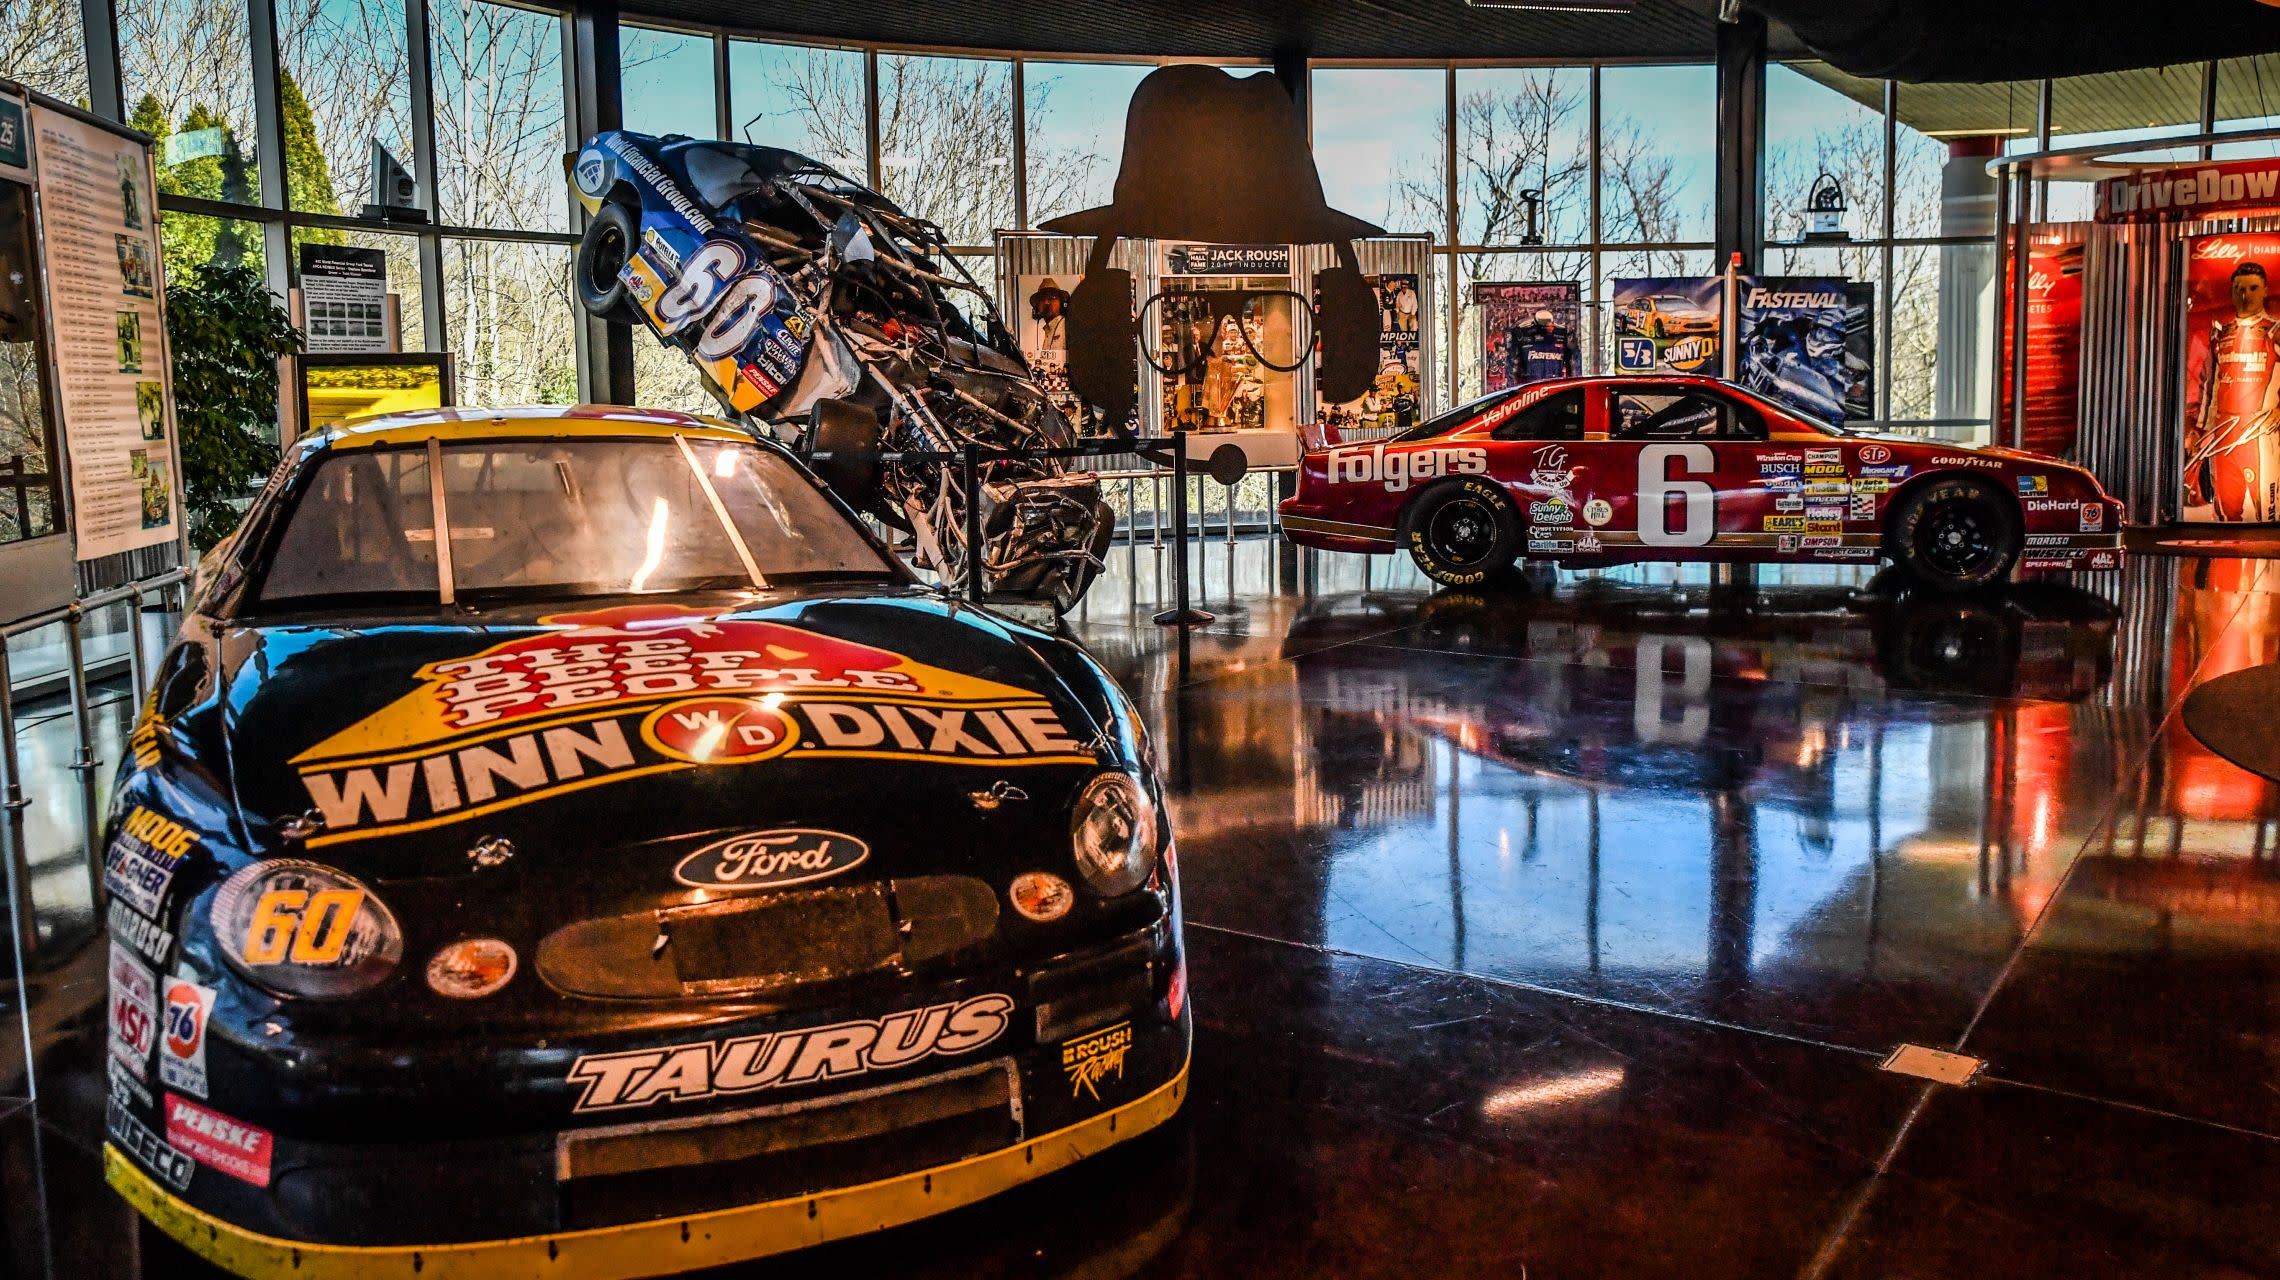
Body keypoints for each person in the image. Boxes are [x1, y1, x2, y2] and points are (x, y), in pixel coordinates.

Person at [2188, 261, 2280, 521]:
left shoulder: (2274, 331)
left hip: (2259, 434)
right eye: (2239, 288)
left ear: (2264, 290)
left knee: (2268, 517)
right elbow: (2209, 386)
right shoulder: (2220, 335)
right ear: (2231, 292)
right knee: (2225, 517)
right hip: (2223, 435)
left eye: (2253, 288)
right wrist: (2201, 430)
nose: (2245, 295)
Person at [1504, 309, 1573, 388]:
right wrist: (1511, 389)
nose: (1551, 327)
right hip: (1529, 387)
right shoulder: (1521, 333)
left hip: (1555, 386)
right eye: (1547, 326)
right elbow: (1511, 363)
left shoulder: (1563, 333)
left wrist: (1572, 387)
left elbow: (1572, 363)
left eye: (1551, 324)